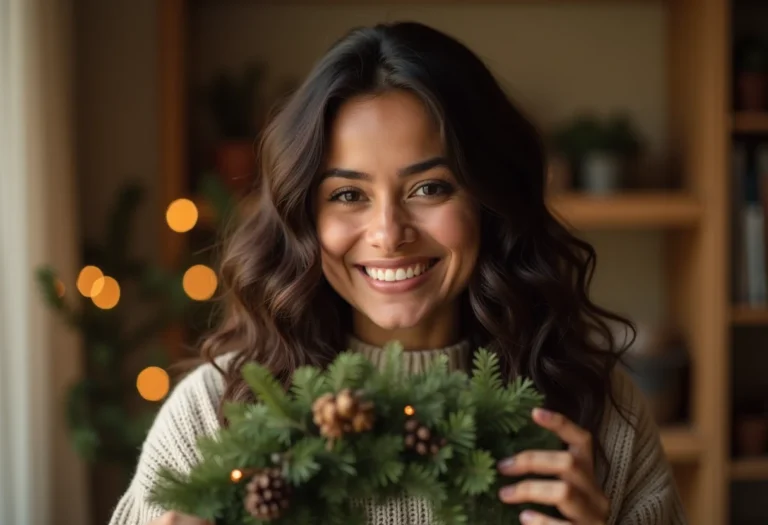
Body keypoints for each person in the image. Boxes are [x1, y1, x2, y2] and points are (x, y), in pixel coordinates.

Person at [109, 21, 686, 525]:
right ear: (305, 215)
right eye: (348, 194)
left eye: (429, 188)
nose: (388, 232)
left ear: (489, 200)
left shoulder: (598, 413)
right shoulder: (214, 413)